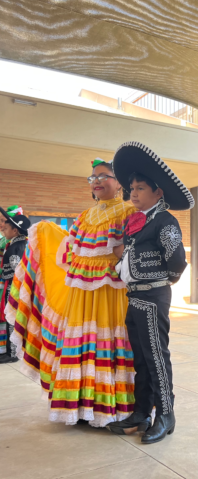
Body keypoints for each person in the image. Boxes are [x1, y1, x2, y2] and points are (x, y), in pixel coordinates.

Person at [6, 158, 136, 426]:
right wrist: (46, 231)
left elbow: (130, 255)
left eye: (103, 176)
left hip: (112, 290)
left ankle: (111, 407)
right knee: (82, 340)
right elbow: (67, 253)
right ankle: (81, 407)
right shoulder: (84, 217)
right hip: (81, 291)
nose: (96, 181)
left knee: (109, 339)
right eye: (92, 178)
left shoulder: (128, 212)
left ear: (120, 182)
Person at [107, 141, 192, 444]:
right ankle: (142, 411)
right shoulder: (136, 223)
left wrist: (160, 282)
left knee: (156, 357)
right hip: (134, 297)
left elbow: (177, 262)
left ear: (158, 193)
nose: (133, 192)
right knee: (140, 358)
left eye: (140, 188)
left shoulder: (165, 222)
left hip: (153, 297)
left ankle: (165, 415)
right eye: (131, 187)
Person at [0, 208, 30, 363]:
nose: (3, 228)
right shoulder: (19, 244)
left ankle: (12, 354)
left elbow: (19, 272)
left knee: (12, 318)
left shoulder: (15, 247)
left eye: (6, 226)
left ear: (15, 230)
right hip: (15, 287)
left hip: (15, 288)